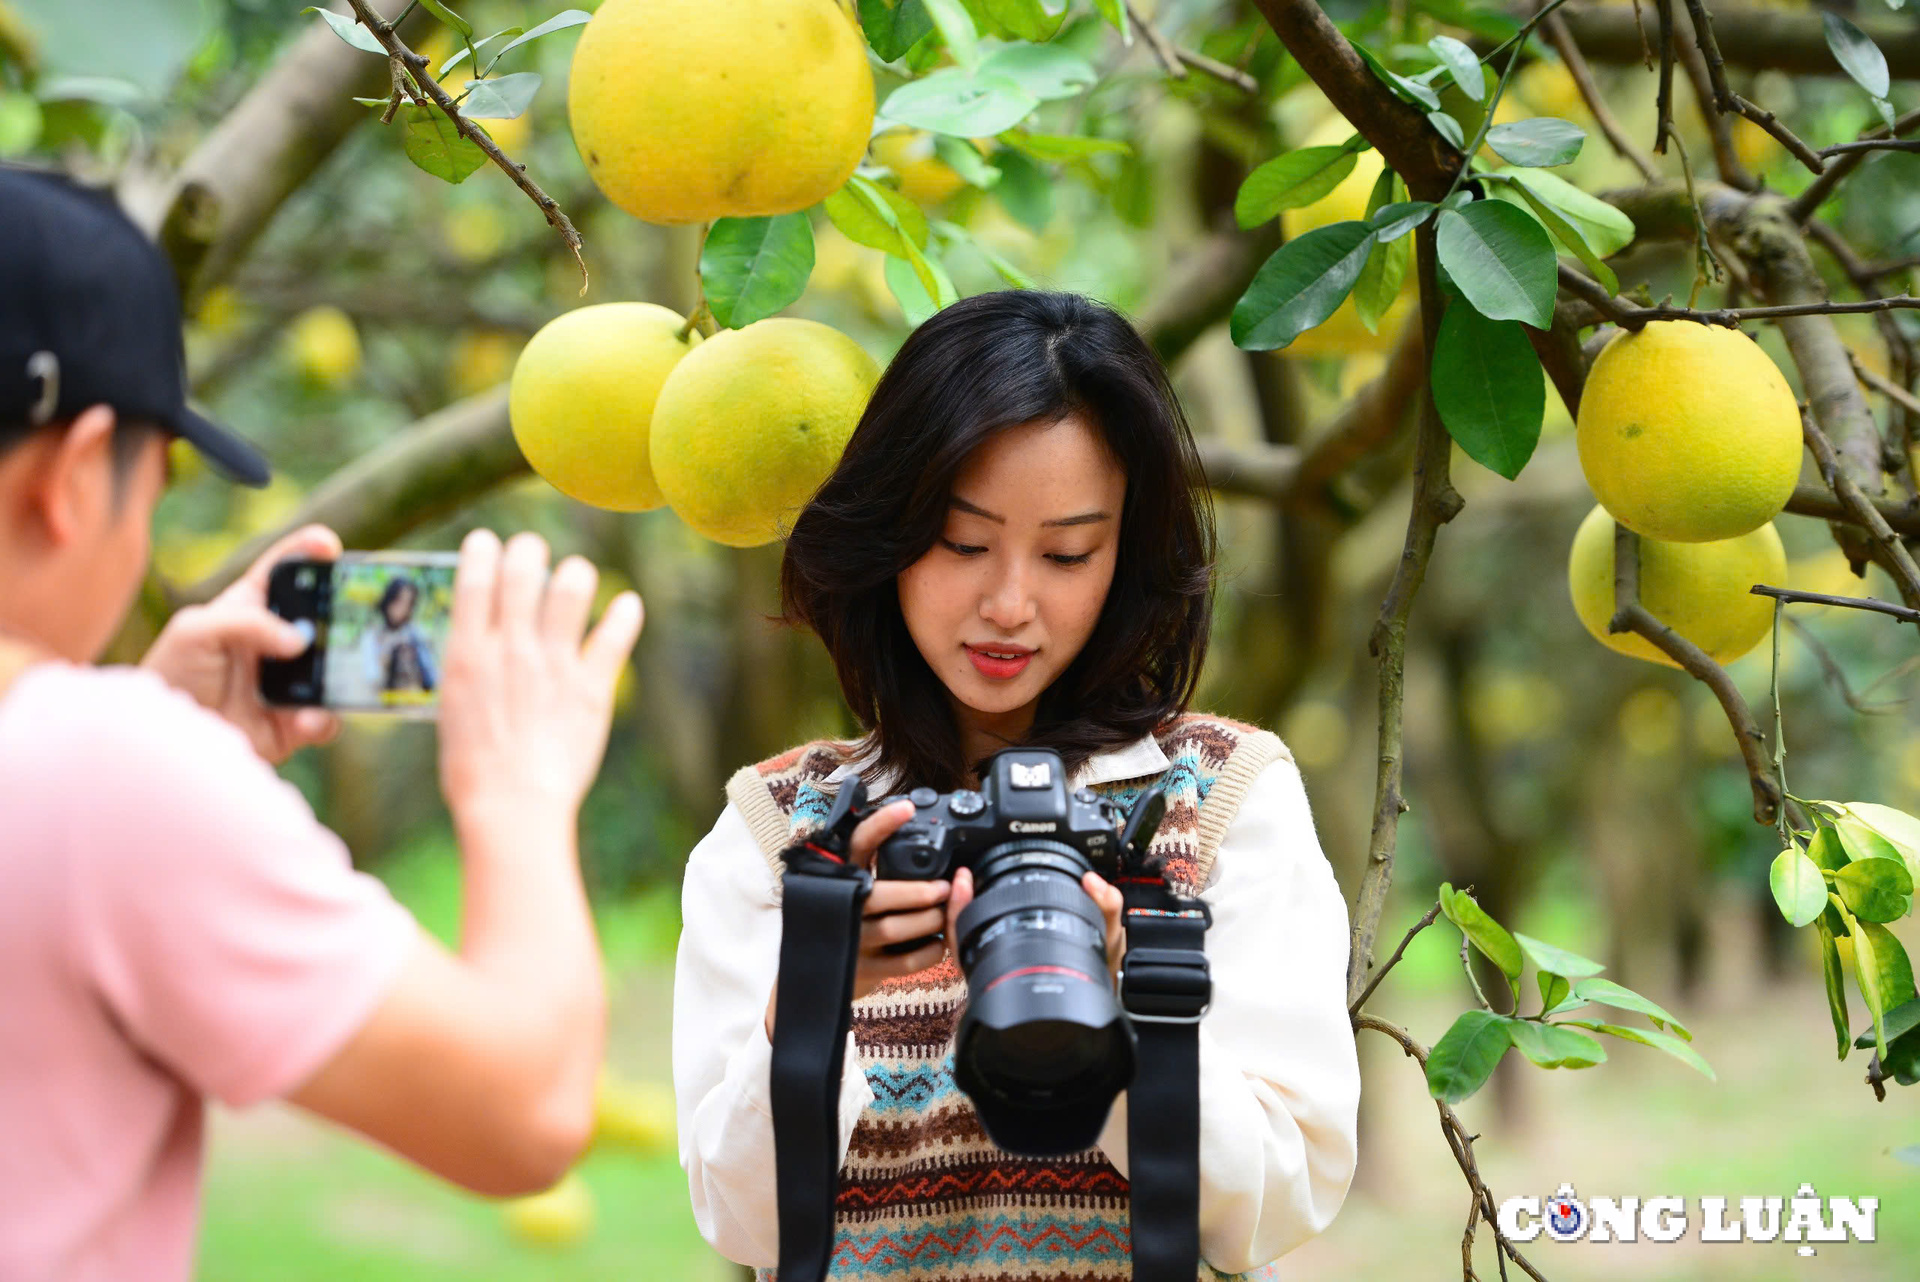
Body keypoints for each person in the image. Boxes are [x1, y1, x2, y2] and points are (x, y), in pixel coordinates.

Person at [0, 165, 644, 1281]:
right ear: (71, 476)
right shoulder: (94, 773)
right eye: (151, 490)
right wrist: (519, 790)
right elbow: (527, 1108)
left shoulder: (82, 769)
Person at [672, 290, 1360, 1280]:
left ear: (1125, 556)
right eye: (961, 542)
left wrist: (1137, 992)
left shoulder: (1219, 802)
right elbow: (751, 1230)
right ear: (891, 530)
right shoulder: (782, 835)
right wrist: (818, 990)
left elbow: (1278, 1201)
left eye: (1068, 552)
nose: (1009, 604)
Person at [361, 575, 439, 695]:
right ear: (389, 600)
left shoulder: (417, 635)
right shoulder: (372, 636)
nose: (402, 609)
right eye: (399, 601)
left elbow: (431, 677)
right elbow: (371, 678)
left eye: (408, 603)